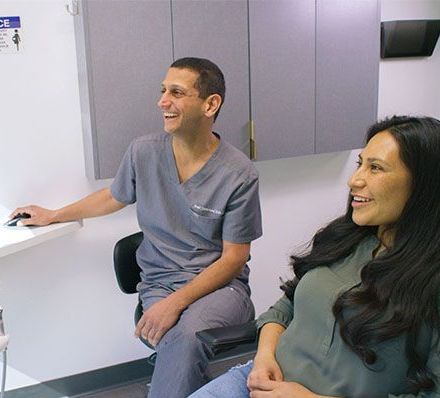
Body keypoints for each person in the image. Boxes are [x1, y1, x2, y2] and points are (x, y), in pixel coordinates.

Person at [10, 57, 262, 398]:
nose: (162, 101)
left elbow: (233, 259)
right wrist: (54, 214)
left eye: (176, 92)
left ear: (210, 104)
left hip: (221, 289)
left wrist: (175, 304)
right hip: (160, 281)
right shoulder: (144, 152)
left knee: (185, 336)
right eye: (162, 91)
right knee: (179, 341)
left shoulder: (238, 173)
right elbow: (113, 197)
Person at [189, 115, 440, 398]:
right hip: (258, 380)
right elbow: (285, 306)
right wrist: (264, 358)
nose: (354, 180)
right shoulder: (346, 238)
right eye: (361, 164)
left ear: (423, 186)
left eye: (376, 168)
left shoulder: (430, 280)